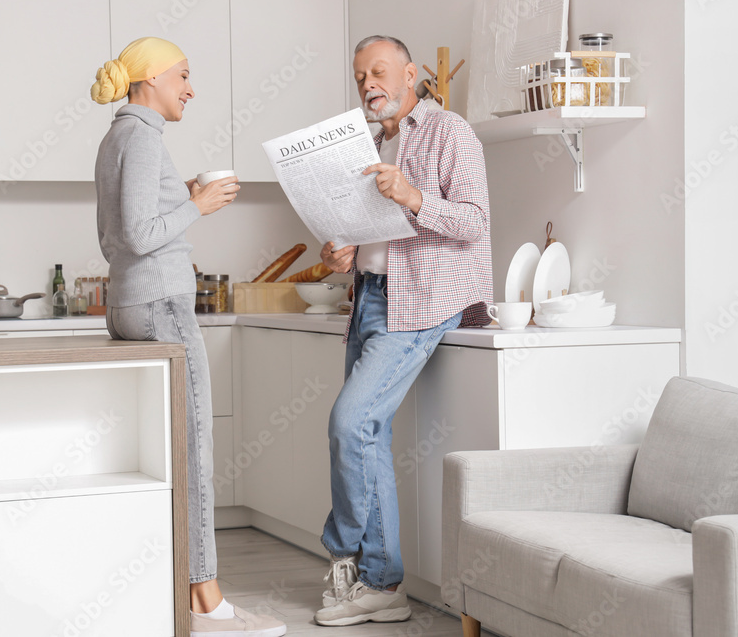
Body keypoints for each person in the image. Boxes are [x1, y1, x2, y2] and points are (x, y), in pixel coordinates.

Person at [92, 37, 286, 637]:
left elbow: (125, 232)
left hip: (128, 304)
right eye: (183, 76)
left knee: (164, 450)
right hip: (162, 306)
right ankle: (207, 602)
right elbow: (138, 230)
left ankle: (175, 587)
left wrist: (186, 196)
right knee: (194, 448)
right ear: (151, 79)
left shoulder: (117, 136)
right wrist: (197, 205)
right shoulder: (144, 135)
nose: (190, 88)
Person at [315, 35, 492, 627]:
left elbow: (473, 222)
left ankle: (350, 558)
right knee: (369, 434)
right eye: (361, 73)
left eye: (381, 72)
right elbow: (364, 228)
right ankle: (384, 585)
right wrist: (340, 249)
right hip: (367, 297)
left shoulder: (450, 132)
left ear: (411, 74)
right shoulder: (365, 142)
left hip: (422, 301)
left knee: (350, 422)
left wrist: (414, 196)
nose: (370, 83)